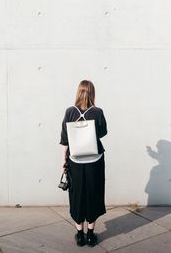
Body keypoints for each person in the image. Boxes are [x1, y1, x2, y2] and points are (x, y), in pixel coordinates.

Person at [59, 80, 108, 247]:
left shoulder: (69, 112)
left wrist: (63, 161)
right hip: (95, 160)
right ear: (92, 93)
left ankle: (80, 235)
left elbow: (65, 140)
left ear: (78, 92)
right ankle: (91, 235)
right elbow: (102, 133)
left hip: (75, 160)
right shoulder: (98, 112)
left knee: (77, 194)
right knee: (93, 193)